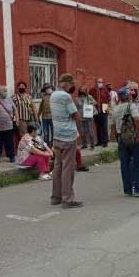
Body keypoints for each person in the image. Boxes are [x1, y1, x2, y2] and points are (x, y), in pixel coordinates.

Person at [50, 73, 83, 209]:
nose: (72, 86)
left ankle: (56, 197)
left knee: (57, 167)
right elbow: (75, 115)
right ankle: (67, 199)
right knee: (68, 169)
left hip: (57, 135)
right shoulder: (66, 96)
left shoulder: (53, 95)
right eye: (71, 84)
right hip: (68, 136)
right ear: (66, 83)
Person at [112, 88, 139, 197]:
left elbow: (113, 125)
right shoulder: (131, 106)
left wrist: (114, 136)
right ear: (128, 96)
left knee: (125, 164)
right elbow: (137, 119)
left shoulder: (116, 108)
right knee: (138, 163)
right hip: (133, 137)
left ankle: (128, 189)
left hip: (121, 138)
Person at [0, 85, 17, 163]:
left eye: (6, 90)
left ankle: (11, 156)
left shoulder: (9, 99)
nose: (5, 92)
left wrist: (17, 119)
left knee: (9, 142)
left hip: (8, 125)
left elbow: (15, 109)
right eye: (4, 91)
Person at [89, 78, 110, 147]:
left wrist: (108, 109)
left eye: (101, 82)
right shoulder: (91, 90)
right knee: (98, 126)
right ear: (96, 82)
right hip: (95, 110)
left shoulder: (105, 90)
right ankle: (100, 141)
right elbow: (89, 100)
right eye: (99, 82)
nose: (100, 83)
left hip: (104, 109)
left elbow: (109, 100)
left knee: (104, 126)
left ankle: (105, 141)